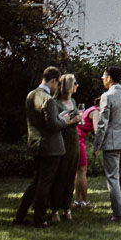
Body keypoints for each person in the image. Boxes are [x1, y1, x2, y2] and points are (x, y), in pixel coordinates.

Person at [14, 66, 67, 228]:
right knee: (45, 183)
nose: (57, 88)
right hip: (50, 146)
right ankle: (40, 218)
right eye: (57, 84)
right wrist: (64, 120)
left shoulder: (31, 95)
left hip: (35, 143)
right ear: (53, 81)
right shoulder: (48, 99)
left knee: (36, 182)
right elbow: (53, 125)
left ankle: (20, 215)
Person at [91, 64, 121, 223]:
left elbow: (102, 123)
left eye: (104, 76)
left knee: (113, 177)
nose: (102, 78)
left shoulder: (107, 96)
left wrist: (97, 145)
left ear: (109, 78)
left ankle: (118, 213)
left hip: (112, 142)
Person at [50, 73, 80, 221]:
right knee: (60, 176)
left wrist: (78, 119)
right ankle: (55, 209)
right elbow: (55, 124)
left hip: (74, 140)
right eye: (75, 83)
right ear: (67, 85)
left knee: (70, 175)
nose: (77, 85)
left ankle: (67, 208)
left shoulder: (73, 101)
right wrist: (72, 121)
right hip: (62, 139)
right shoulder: (55, 103)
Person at [74, 97, 98, 209]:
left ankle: (77, 201)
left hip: (77, 138)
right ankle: (86, 201)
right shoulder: (96, 112)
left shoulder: (91, 109)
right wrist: (97, 147)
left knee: (79, 171)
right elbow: (97, 131)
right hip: (78, 139)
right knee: (83, 170)